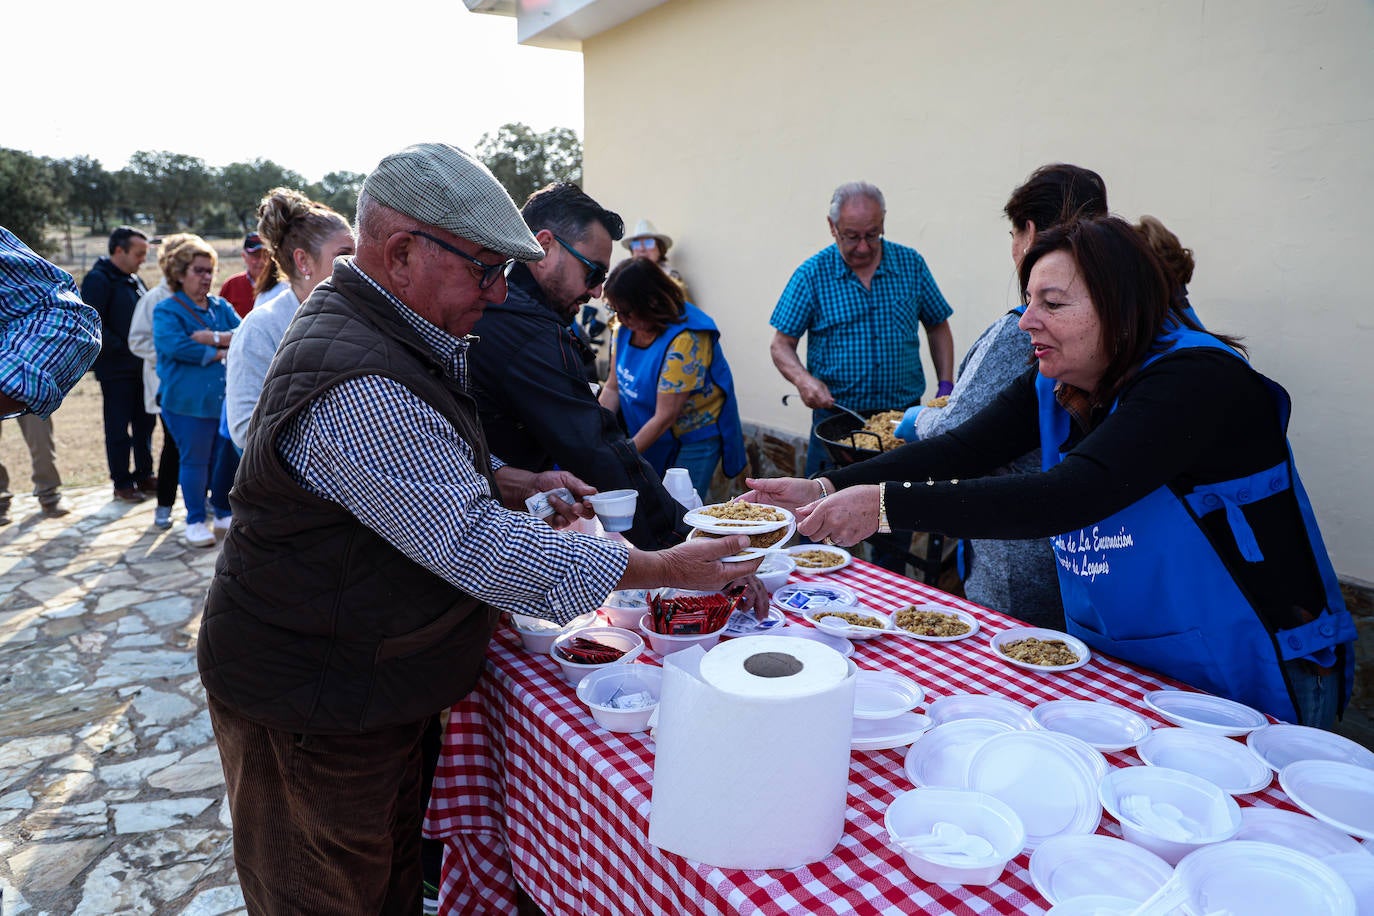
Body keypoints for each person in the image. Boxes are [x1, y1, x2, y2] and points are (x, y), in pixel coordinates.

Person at [196, 142, 756, 916]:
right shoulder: (358, 372)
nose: (497, 294)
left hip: (360, 686)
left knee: (387, 885)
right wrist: (667, 568)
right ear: (401, 253)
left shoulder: (381, 327)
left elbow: (411, 461)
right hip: (313, 703)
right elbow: (476, 545)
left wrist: (511, 478)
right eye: (486, 270)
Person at [748, 215, 1354, 728]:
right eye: (1029, 300)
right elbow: (961, 448)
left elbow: (1069, 494)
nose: (1025, 321)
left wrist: (884, 507)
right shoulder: (1059, 377)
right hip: (1132, 660)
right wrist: (827, 485)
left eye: (1053, 304)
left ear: (1121, 309)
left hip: (1247, 664)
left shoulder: (1196, 381)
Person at [891, 164, 1109, 628]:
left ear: (1029, 233)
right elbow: (980, 435)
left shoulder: (1022, 331)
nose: (1029, 322)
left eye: (1052, 303)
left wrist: (917, 421)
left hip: (1028, 560)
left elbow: (959, 434)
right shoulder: (1087, 347)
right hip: (1076, 552)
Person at [469, 182, 689, 549]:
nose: (597, 292)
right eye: (593, 273)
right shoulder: (528, 332)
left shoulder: (507, 309)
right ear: (544, 248)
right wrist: (685, 542)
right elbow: (594, 447)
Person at [769, 180, 956, 479]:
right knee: (826, 504)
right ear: (832, 227)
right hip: (837, 422)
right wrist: (803, 380)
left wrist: (946, 385)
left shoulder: (911, 264)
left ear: (883, 222)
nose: (864, 246)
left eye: (872, 234)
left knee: (900, 504)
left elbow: (937, 326)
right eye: (852, 236)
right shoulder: (811, 275)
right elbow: (781, 345)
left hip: (902, 421)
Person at [597, 258, 745, 501]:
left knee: (679, 507)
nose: (620, 318)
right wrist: (594, 432)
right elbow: (613, 387)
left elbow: (665, 416)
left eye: (627, 312)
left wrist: (622, 460)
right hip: (651, 428)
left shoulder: (686, 339)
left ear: (651, 303)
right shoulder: (623, 326)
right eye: (616, 310)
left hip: (692, 438)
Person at [224, 189, 354, 451]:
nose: (355, 265)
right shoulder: (261, 328)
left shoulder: (358, 316)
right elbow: (244, 428)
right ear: (303, 261)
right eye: (344, 255)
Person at [0, 226, 101, 523]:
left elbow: (68, 314)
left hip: (17, 361)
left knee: (38, 429)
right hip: (20, 365)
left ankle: (49, 492)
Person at [152, 237, 239, 548]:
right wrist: (221, 350)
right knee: (195, 461)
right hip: (186, 403)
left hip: (221, 401)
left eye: (210, 270)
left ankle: (222, 512)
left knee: (221, 460)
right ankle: (194, 520)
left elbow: (243, 334)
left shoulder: (220, 306)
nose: (206, 277)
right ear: (179, 273)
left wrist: (211, 337)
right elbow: (176, 346)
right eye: (198, 270)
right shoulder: (167, 310)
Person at [81, 225, 156, 503]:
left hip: (141, 368)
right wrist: (128, 348)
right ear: (119, 250)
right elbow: (93, 324)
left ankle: (145, 474)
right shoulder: (98, 280)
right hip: (116, 370)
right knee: (118, 428)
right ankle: (122, 482)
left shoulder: (135, 279)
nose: (142, 260)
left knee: (145, 425)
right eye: (138, 253)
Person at [128, 234, 196, 530]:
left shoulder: (199, 298)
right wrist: (171, 353)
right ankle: (165, 505)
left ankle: (200, 501)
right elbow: (137, 340)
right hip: (166, 385)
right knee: (174, 444)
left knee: (198, 445)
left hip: (196, 386)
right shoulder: (153, 300)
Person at [216, 232, 272, 318]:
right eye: (256, 255)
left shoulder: (282, 286)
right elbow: (220, 318)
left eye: (265, 255)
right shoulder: (231, 285)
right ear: (244, 256)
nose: (261, 261)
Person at [623, 217, 686, 290]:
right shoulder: (625, 276)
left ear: (660, 248)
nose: (642, 249)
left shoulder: (670, 276)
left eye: (648, 243)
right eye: (636, 244)